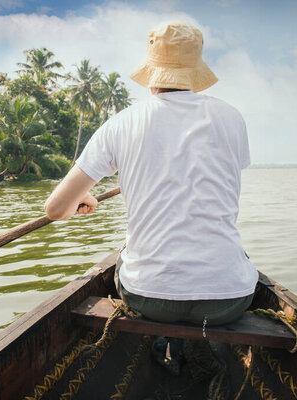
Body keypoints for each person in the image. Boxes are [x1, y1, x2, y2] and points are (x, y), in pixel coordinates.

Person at [44, 22, 257, 331]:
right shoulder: (232, 118)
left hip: (148, 297)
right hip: (228, 301)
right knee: (238, 254)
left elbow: (55, 209)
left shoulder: (121, 123)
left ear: (152, 70)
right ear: (195, 70)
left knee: (125, 255)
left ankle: (164, 339)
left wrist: (82, 198)